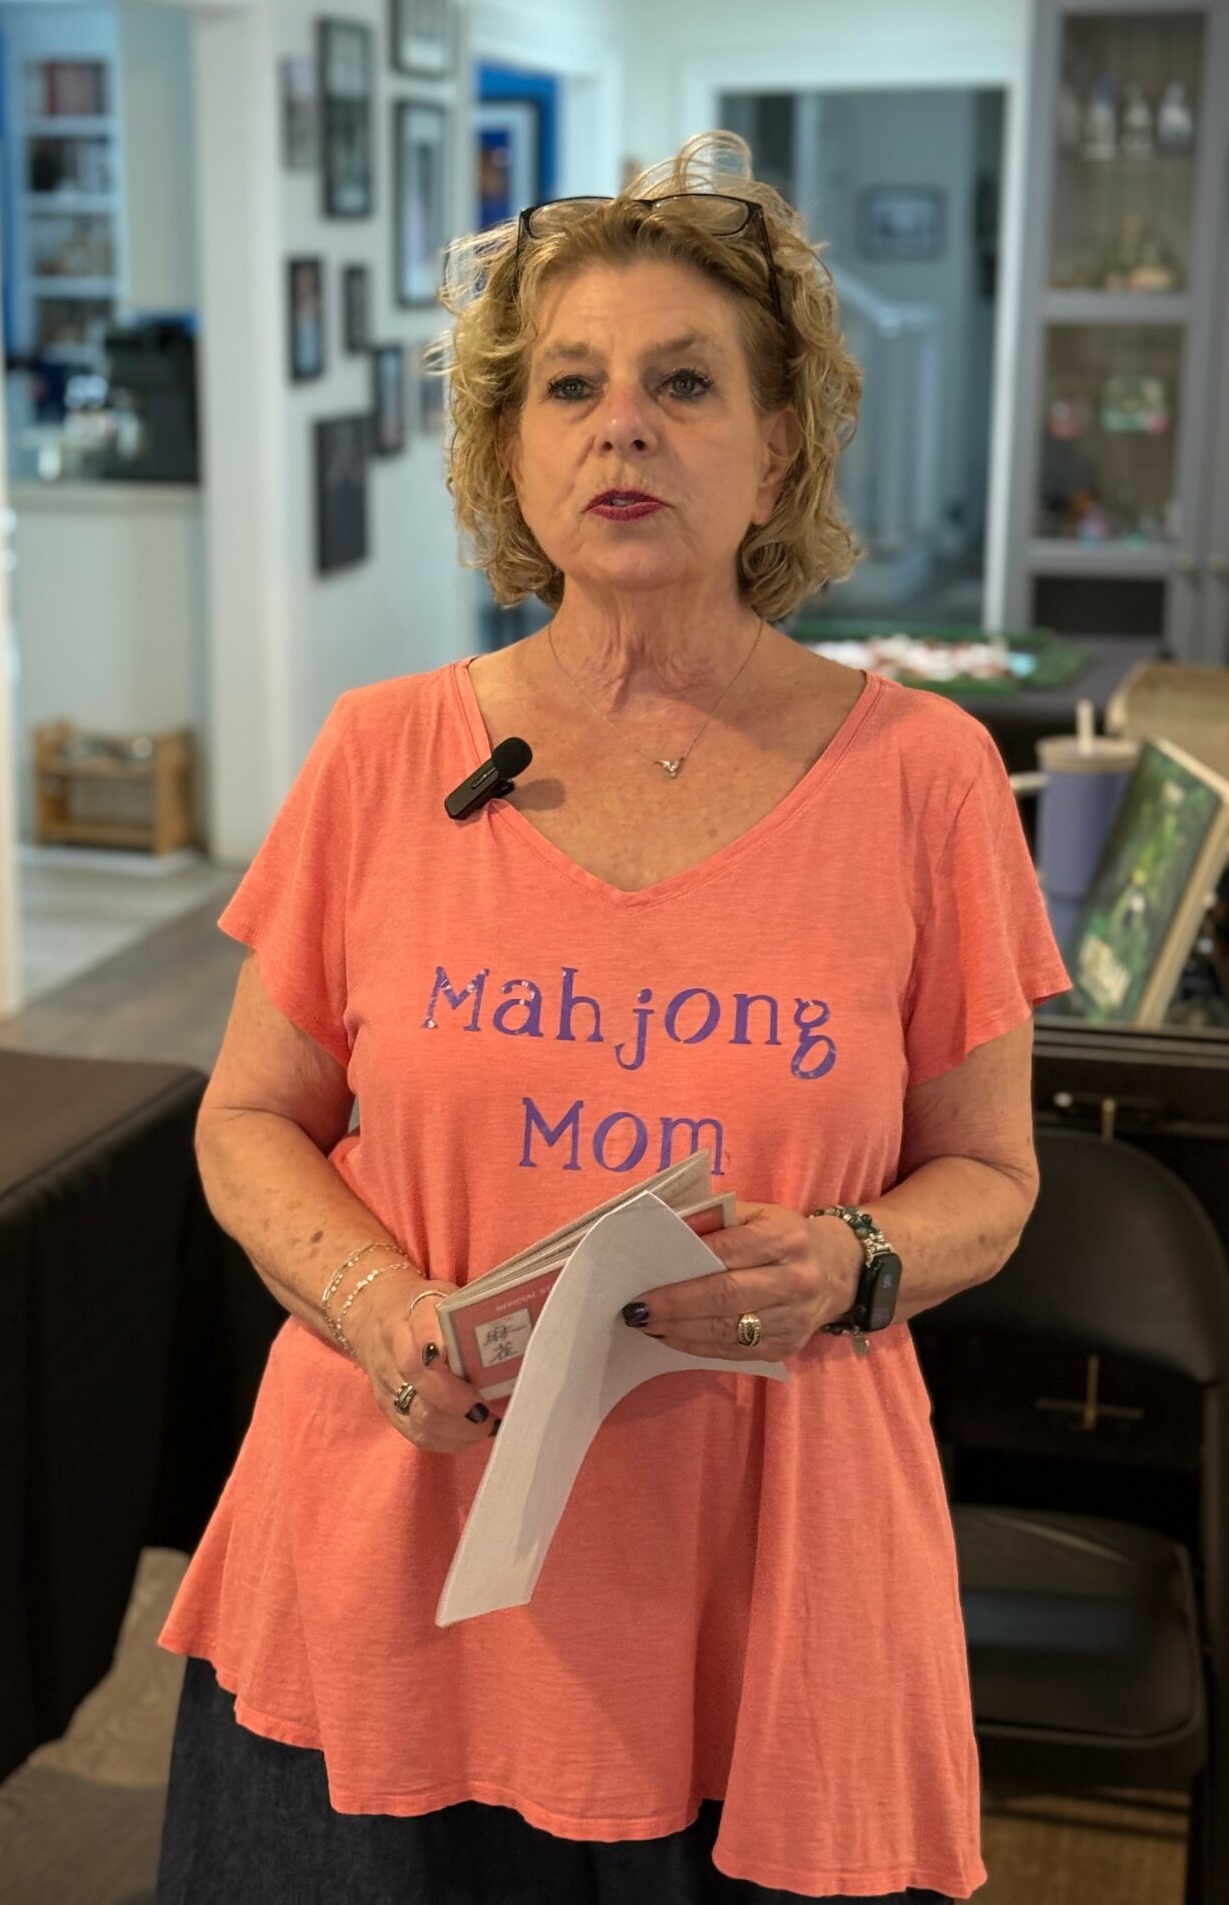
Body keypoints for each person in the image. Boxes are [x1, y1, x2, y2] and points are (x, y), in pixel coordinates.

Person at [157, 130, 1070, 1904]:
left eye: (682, 383)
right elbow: (247, 1119)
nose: (620, 427)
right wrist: (379, 1306)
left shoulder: (926, 781)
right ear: (509, 445)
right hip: (392, 1551)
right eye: (567, 386)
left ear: (778, 439)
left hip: (763, 1567)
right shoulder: (380, 754)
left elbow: (992, 1177)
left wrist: (851, 1261)